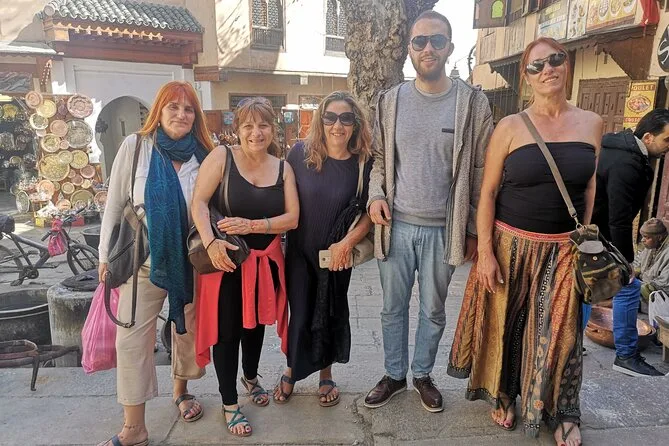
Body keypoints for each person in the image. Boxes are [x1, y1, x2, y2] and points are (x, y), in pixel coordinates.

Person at [448, 37, 603, 446]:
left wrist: (584, 240)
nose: (547, 69)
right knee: (509, 326)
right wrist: (485, 251)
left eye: (555, 60)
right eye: (536, 65)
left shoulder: (592, 123)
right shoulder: (510, 127)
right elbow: (487, 193)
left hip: (565, 249)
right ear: (527, 77)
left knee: (563, 335)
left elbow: (589, 187)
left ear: (566, 65)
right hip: (511, 245)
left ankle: (562, 410)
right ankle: (505, 394)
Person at [364, 10, 493, 414]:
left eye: (437, 40)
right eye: (419, 41)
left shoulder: (472, 104)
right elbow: (379, 160)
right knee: (392, 308)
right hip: (397, 225)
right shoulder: (390, 101)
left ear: (449, 47)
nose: (428, 48)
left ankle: (422, 374)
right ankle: (393, 374)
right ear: (409, 49)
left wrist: (473, 230)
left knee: (433, 310)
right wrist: (375, 196)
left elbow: (481, 170)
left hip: (444, 229)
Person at [97, 81, 213, 446]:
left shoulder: (205, 154)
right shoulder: (136, 147)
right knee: (131, 340)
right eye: (173, 107)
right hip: (142, 259)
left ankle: (181, 392)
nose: (181, 115)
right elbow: (114, 205)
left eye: (188, 109)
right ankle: (134, 427)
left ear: (196, 116)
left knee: (185, 331)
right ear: (158, 111)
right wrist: (104, 257)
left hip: (191, 260)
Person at [191, 97, 299, 437]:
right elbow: (199, 202)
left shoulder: (283, 167)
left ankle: (250, 377)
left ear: (273, 129)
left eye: (263, 125)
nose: (256, 133)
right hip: (227, 260)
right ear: (236, 129)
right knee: (227, 331)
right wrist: (210, 242)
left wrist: (253, 226)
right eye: (248, 126)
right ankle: (229, 403)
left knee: (256, 324)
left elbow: (293, 218)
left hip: (265, 260)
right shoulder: (222, 157)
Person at [273, 91, 373, 406]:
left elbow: (370, 212)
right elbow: (277, 195)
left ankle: (325, 373)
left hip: (336, 255)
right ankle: (291, 369)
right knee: (301, 313)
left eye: (346, 118)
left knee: (330, 312)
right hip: (299, 253)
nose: (337, 125)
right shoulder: (299, 154)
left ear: (356, 124)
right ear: (321, 120)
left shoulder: (363, 163)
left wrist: (347, 243)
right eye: (330, 117)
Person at [590, 108, 669, 377]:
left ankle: (571, 347)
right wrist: (627, 262)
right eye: (666, 140)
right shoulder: (627, 163)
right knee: (629, 286)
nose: (668, 147)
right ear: (648, 137)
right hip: (598, 236)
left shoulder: (623, 150)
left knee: (586, 293)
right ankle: (626, 355)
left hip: (593, 235)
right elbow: (619, 219)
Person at [635, 218, 669, 305]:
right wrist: (632, 275)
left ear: (659, 237)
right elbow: (638, 263)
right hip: (643, 285)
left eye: (646, 237)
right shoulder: (651, 245)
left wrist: (637, 288)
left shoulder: (667, 253)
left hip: (659, 296)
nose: (642, 240)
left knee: (625, 299)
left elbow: (663, 285)